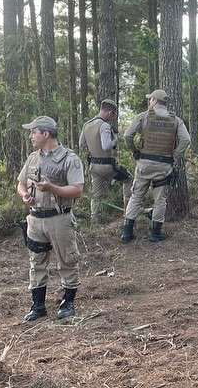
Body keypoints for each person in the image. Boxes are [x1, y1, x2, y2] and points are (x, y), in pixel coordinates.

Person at [17, 116, 85, 321]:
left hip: (59, 219)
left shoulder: (69, 159)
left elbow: (78, 190)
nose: (31, 136)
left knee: (67, 259)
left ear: (45, 134)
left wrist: (52, 188)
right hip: (35, 219)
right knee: (36, 261)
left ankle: (68, 303)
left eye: (33, 132)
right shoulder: (32, 158)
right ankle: (38, 306)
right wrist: (25, 195)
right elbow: (20, 183)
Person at [120, 89, 191, 243]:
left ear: (155, 101)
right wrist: (175, 155)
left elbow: (127, 135)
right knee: (160, 200)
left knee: (136, 196)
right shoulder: (176, 120)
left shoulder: (144, 116)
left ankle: (127, 232)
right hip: (164, 166)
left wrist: (134, 151)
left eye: (150, 99)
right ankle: (156, 233)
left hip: (144, 164)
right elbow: (186, 140)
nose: (149, 102)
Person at [79, 99, 133, 222]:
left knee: (96, 194)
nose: (112, 117)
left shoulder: (87, 124)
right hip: (107, 166)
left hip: (93, 165)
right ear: (108, 111)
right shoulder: (104, 125)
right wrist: (115, 141)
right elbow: (106, 145)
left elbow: (81, 143)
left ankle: (95, 219)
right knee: (128, 179)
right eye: (113, 114)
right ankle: (128, 212)